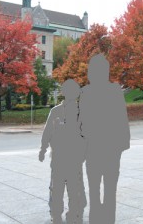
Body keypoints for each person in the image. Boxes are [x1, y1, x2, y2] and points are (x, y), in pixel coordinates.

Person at [79, 54, 130, 224]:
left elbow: (122, 120)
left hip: (104, 149)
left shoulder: (112, 91)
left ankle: (102, 218)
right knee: (101, 188)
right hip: (98, 149)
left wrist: (121, 147)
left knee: (103, 188)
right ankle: (105, 218)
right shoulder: (88, 92)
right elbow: (82, 122)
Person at [39, 79, 87, 224]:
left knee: (76, 190)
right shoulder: (56, 111)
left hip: (75, 159)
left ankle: (75, 214)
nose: (72, 93)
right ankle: (55, 214)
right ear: (64, 92)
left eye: (75, 91)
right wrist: (43, 149)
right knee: (56, 189)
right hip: (58, 158)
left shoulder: (82, 112)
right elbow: (47, 132)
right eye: (68, 90)